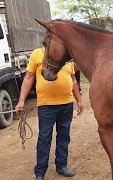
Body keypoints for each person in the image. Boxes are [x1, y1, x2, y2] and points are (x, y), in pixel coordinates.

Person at [15, 47, 84, 180]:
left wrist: (79, 100)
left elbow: (73, 79)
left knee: (64, 136)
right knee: (44, 138)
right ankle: (40, 171)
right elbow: (29, 77)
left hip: (66, 104)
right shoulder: (37, 54)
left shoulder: (66, 56)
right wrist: (21, 101)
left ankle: (61, 165)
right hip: (46, 105)